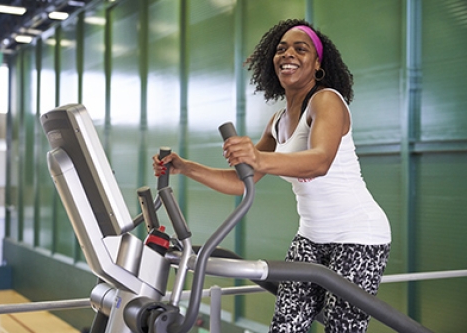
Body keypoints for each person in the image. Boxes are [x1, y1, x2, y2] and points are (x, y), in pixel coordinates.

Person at [153, 18, 391, 333]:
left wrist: (258, 157)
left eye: (299, 49)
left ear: (317, 62)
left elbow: (319, 161)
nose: (287, 54)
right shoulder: (277, 122)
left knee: (342, 327)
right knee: (285, 325)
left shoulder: (327, 100)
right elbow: (240, 183)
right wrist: (184, 166)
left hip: (359, 236)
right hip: (310, 237)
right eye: (280, 49)